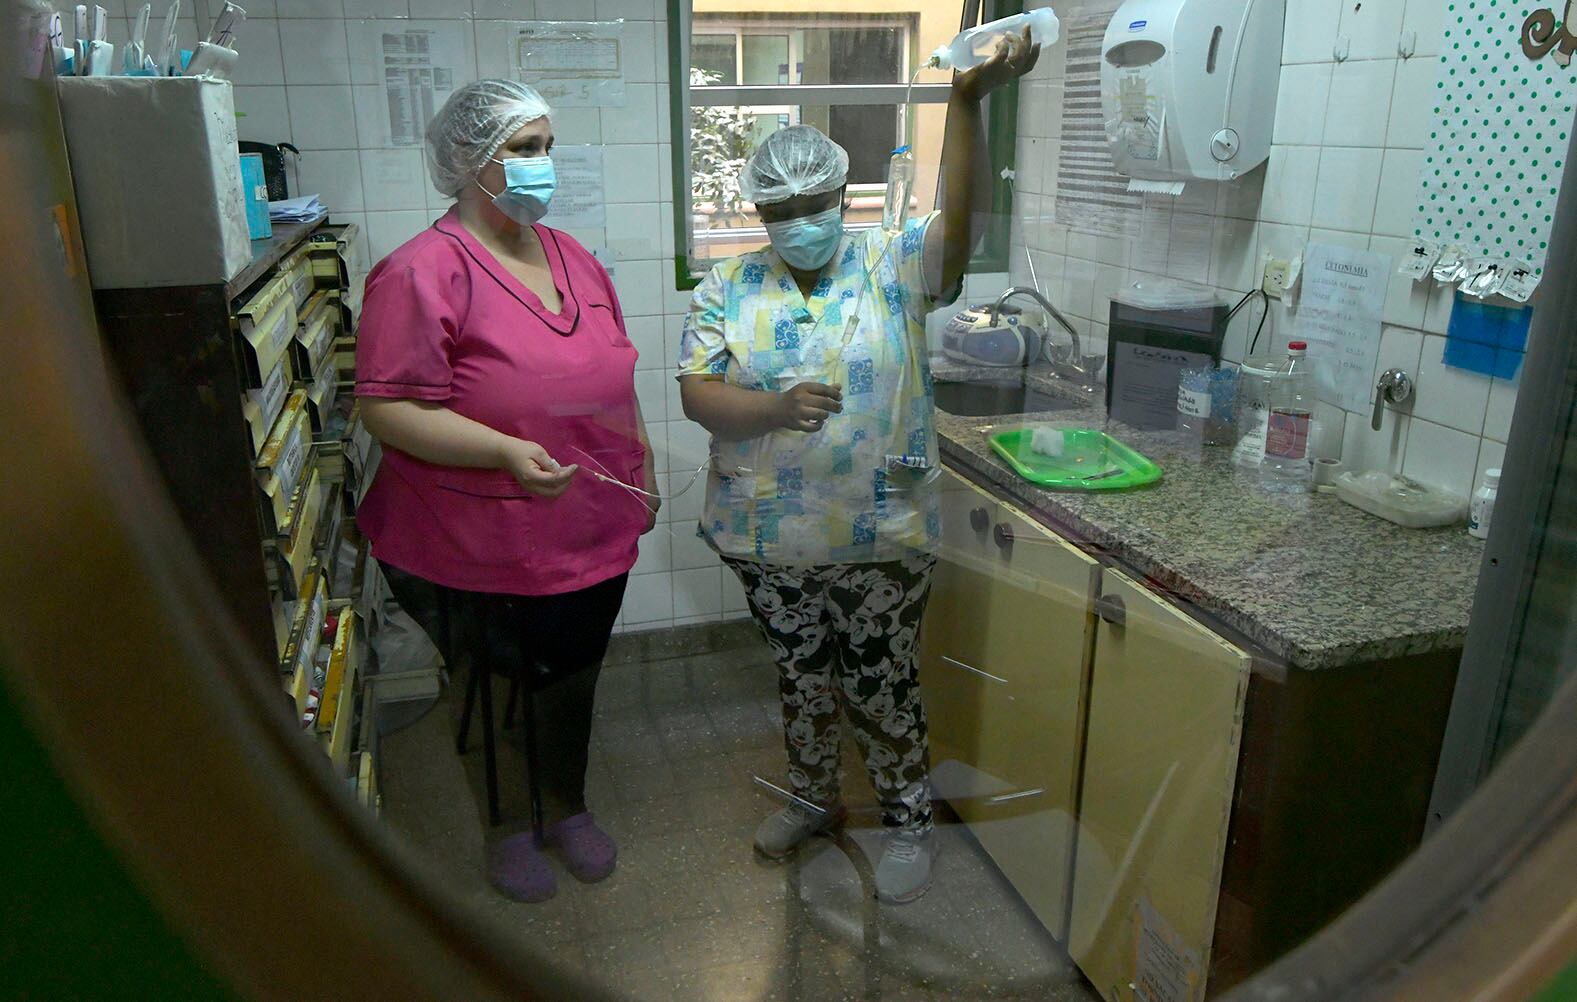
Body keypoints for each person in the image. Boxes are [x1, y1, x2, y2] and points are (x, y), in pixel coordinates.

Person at [676, 33, 1040, 902]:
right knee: (800, 673)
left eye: (815, 202)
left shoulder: (893, 262)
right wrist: (771, 406)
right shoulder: (729, 287)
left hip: (880, 530)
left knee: (880, 677)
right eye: (781, 210)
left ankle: (908, 817)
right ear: (760, 215)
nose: (799, 220)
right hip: (766, 532)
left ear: (844, 195)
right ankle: (811, 798)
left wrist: (967, 102)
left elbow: (964, 226)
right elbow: (696, 395)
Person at [354, 80, 657, 904]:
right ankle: (506, 827)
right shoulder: (420, 272)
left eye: (546, 147)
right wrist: (501, 451)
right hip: (466, 542)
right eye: (522, 149)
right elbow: (387, 409)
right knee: (491, 694)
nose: (541, 166)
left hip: (589, 527)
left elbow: (613, 377)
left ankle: (564, 808)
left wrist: (645, 468)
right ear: (468, 161)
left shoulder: (573, 257)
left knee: (571, 679)